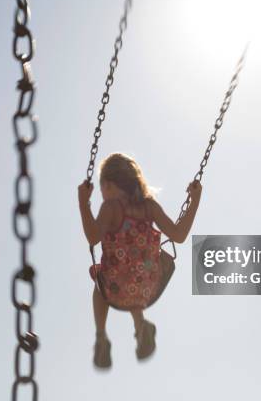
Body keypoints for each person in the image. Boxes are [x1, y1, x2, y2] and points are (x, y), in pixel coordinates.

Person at [78, 152, 202, 369]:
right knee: (133, 274)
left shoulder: (111, 208)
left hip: (116, 289)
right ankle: (140, 324)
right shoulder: (149, 206)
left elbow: (92, 236)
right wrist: (195, 201)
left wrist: (83, 204)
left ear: (108, 185)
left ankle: (101, 335)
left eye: (101, 188)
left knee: (101, 282)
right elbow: (179, 235)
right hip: (148, 287)